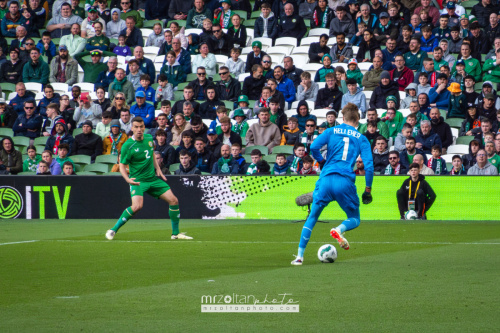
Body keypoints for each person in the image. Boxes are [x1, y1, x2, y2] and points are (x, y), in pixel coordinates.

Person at [291, 103, 373, 265]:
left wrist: (322, 161)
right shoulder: (362, 139)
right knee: (354, 218)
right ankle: (339, 229)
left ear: (342, 118)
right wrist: (368, 189)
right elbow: (369, 167)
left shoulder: (331, 131)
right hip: (345, 182)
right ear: (358, 120)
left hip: (326, 179)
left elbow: (313, 146)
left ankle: (300, 256)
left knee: (312, 217)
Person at [106, 117, 192, 240]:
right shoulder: (127, 146)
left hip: (152, 179)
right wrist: (127, 179)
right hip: (138, 181)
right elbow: (122, 165)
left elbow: (151, 153)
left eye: (141, 127)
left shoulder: (149, 139)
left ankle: (175, 234)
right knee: (137, 207)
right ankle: (113, 230)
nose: (139, 129)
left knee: (174, 200)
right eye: (136, 127)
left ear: (144, 127)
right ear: (132, 128)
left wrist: (157, 168)